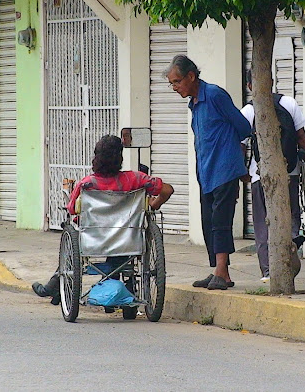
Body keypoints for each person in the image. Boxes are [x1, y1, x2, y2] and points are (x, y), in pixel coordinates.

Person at [32, 135, 174, 305]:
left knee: (73, 239)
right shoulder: (137, 179)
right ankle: (122, 285)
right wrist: (155, 204)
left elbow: (71, 209)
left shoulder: (86, 184)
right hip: (127, 240)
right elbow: (168, 190)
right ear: (120, 158)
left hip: (94, 240)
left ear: (96, 158)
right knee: (123, 239)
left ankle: (52, 287)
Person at [165, 54, 251, 290]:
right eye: (171, 83)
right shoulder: (194, 103)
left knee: (221, 222)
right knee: (208, 222)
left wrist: (232, 149)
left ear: (191, 76)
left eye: (177, 82)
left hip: (224, 168)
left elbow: (243, 126)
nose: (174, 87)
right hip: (206, 171)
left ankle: (221, 273)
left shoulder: (214, 95)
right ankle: (220, 271)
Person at [241, 70, 305, 282]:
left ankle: (268, 270)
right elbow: (302, 138)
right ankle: (289, 260)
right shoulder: (289, 103)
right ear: (271, 81)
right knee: (290, 219)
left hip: (259, 176)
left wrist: (242, 171)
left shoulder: (247, 111)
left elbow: (241, 146)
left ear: (249, 86)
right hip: (290, 172)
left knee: (263, 224)